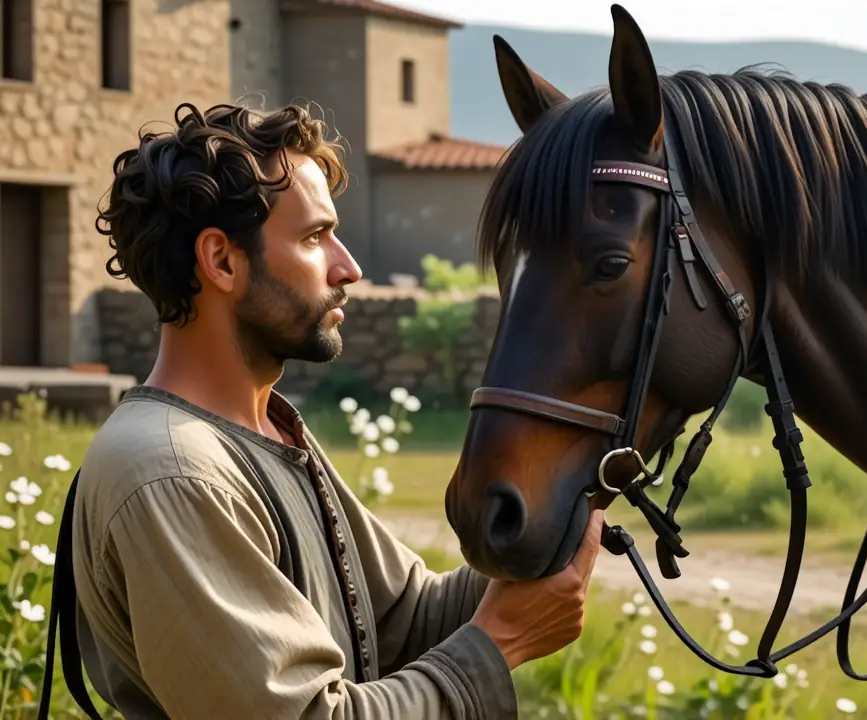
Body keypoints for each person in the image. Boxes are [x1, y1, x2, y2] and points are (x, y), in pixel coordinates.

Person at [44, 102, 604, 719]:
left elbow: (401, 618)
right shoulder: (172, 471)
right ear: (222, 261)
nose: (350, 267)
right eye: (315, 237)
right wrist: (499, 646)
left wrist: (574, 499)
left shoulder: (259, 430)